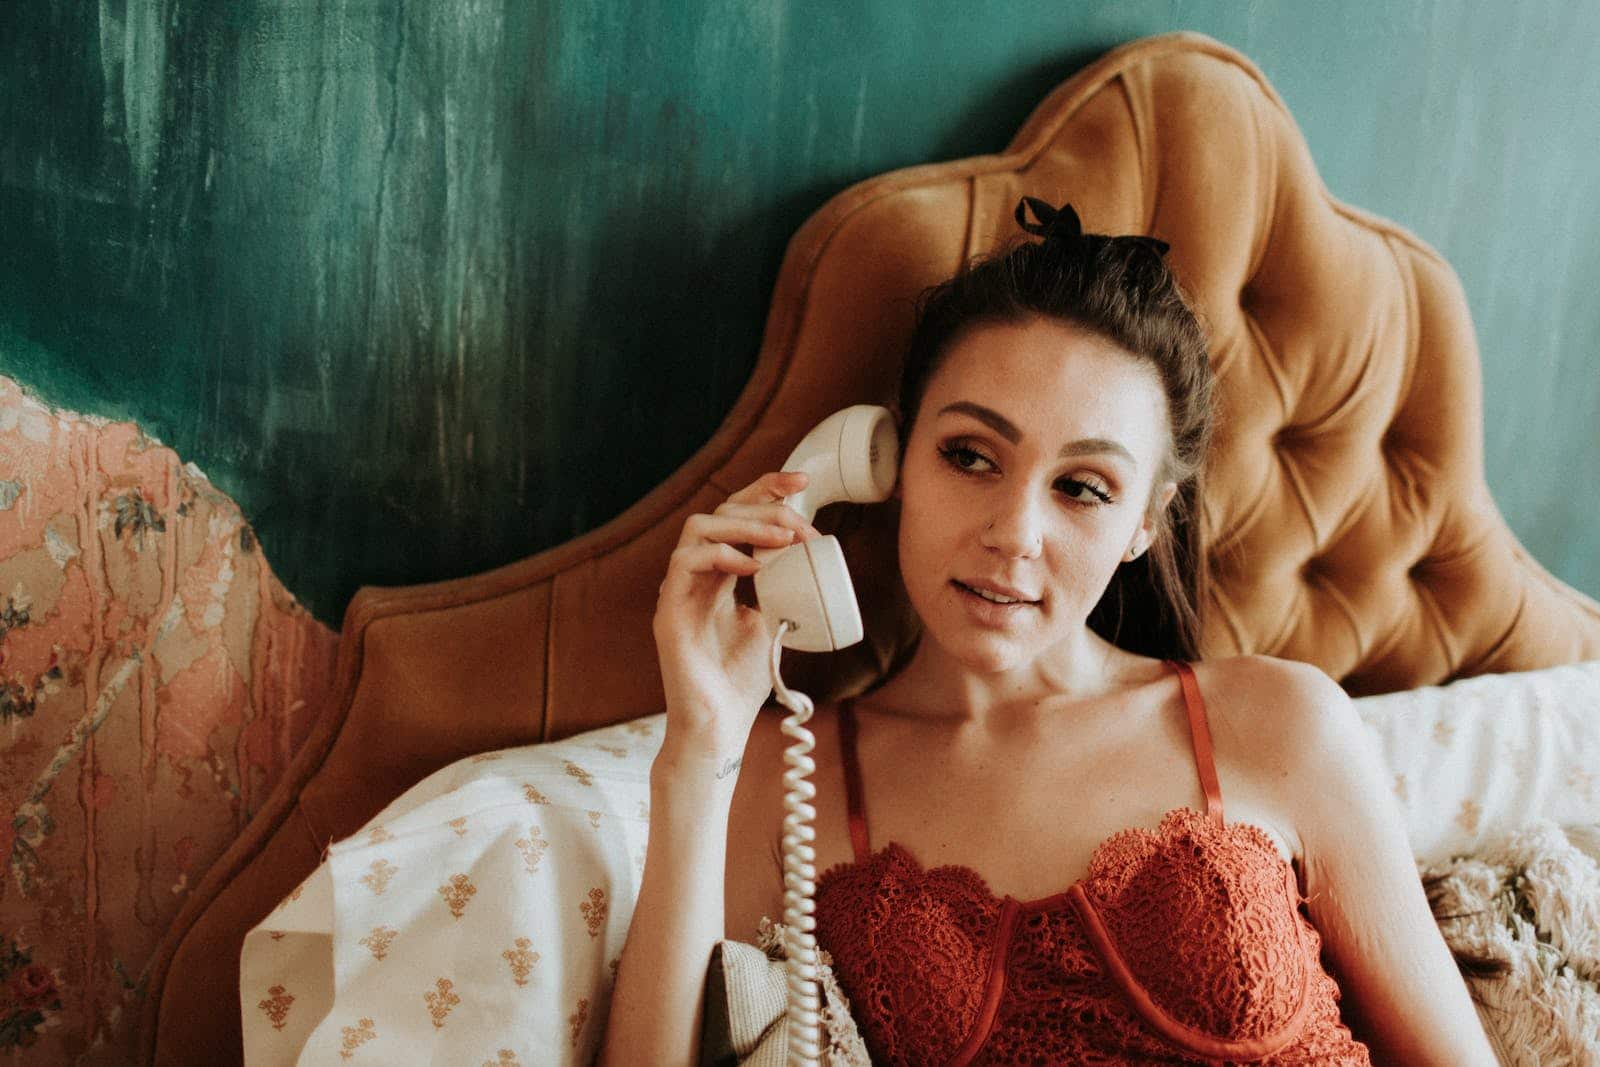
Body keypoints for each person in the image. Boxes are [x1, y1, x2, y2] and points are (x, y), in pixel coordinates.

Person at [599, 198, 1501, 1066]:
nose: (1013, 533)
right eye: (971, 456)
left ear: (1146, 522)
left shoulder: (1280, 722)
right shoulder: (782, 776)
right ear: (889, 463)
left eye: (1083, 487)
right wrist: (701, 741)